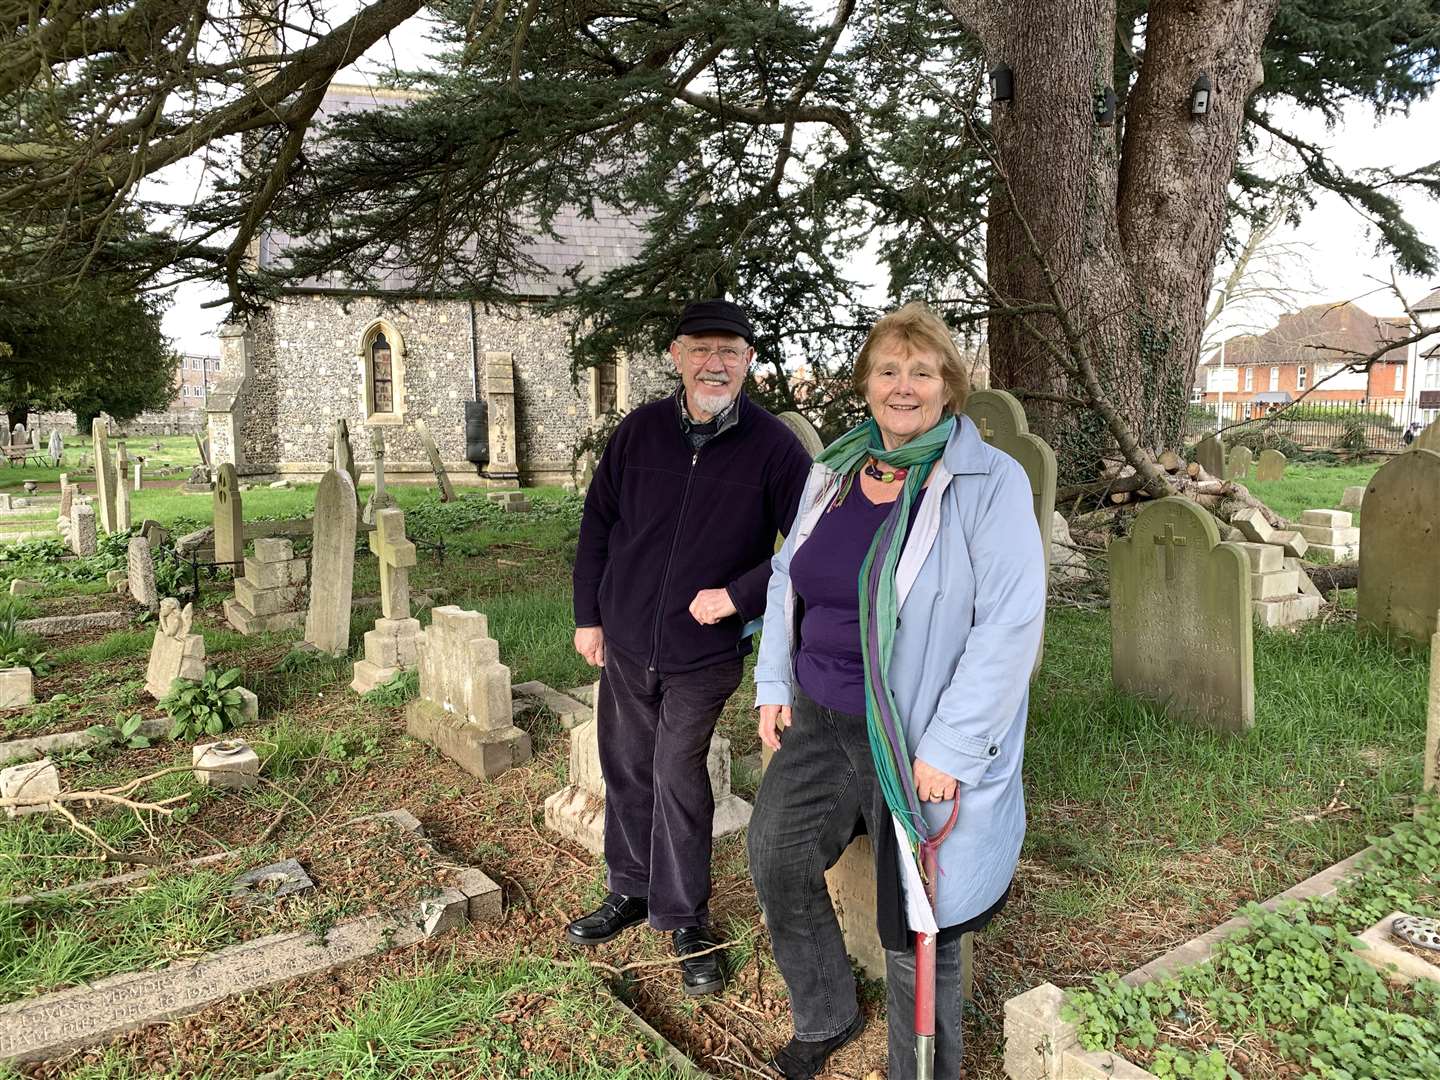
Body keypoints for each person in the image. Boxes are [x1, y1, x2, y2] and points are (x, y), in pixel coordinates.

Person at [747, 301, 1046, 1079]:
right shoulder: (837, 473)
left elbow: (1010, 624)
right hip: (819, 715)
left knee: (917, 916)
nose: (903, 386)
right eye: (888, 370)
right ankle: (826, 1008)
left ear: (951, 385)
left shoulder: (987, 482)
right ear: (866, 385)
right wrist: (774, 680)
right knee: (775, 856)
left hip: (912, 733)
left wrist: (950, 747)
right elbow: (788, 579)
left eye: (922, 371)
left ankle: (919, 1070)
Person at [568, 298, 812, 996]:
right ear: (676, 356)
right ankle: (630, 888)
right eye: (702, 349)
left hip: (704, 651)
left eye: (730, 352)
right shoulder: (640, 431)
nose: (715, 363)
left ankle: (684, 916)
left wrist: (739, 595)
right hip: (625, 638)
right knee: (626, 765)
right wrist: (590, 615)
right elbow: (598, 522)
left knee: (676, 772)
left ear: (748, 363)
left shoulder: (773, 448)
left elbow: (807, 546)